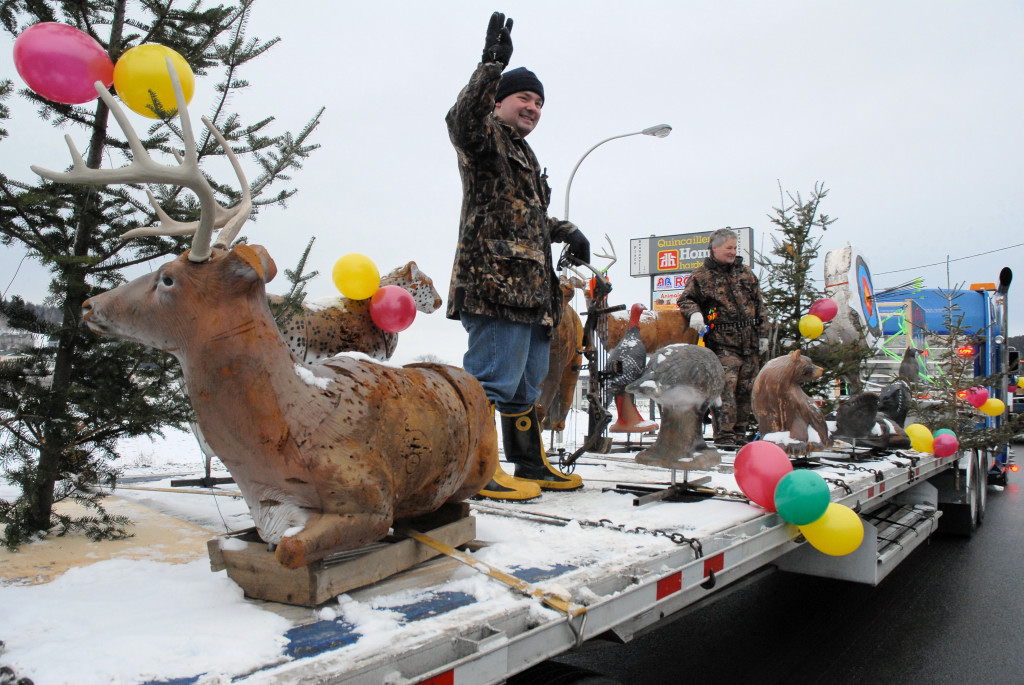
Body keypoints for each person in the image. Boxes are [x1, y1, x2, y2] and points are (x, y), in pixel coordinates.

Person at [446, 12, 590, 500]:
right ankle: (478, 470)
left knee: (525, 386)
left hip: (532, 292)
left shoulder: (525, 156)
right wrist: (490, 65)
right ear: (498, 101)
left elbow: (527, 219)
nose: (533, 107)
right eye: (524, 97)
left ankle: (529, 464)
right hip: (493, 284)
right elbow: (459, 120)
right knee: (491, 380)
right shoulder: (483, 139)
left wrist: (566, 230)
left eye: (539, 102)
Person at [676, 228, 769, 447]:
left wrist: (764, 334)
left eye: (735, 248)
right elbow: (685, 300)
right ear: (714, 248)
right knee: (725, 390)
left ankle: (740, 433)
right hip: (722, 342)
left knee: (747, 389)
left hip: (750, 342)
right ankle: (725, 436)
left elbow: (760, 305)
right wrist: (696, 314)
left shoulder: (746, 273)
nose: (732, 252)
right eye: (729, 248)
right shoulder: (701, 275)